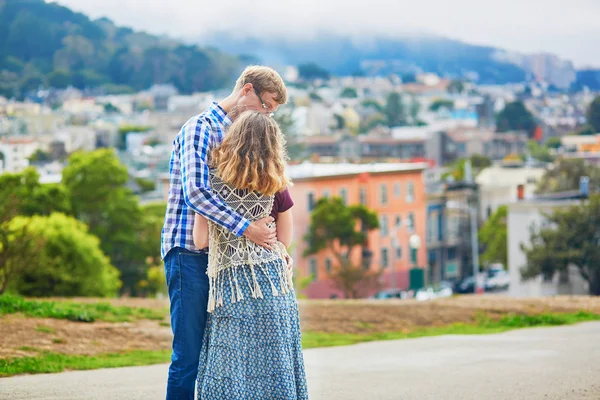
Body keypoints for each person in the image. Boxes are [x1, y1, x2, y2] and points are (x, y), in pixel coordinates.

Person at [161, 66, 288, 400]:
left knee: (221, 358)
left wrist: (273, 239)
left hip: (228, 264)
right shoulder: (200, 129)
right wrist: (249, 229)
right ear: (247, 90)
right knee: (188, 356)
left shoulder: (243, 134)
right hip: (190, 254)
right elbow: (197, 193)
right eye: (265, 106)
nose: (266, 116)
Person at [192, 110, 308, 399]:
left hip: (230, 290)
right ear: (273, 145)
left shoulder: (211, 184)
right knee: (276, 366)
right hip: (272, 285)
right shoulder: (276, 183)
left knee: (230, 368)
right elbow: (285, 240)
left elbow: (200, 240)